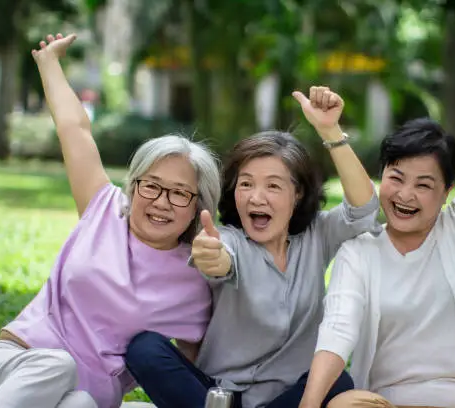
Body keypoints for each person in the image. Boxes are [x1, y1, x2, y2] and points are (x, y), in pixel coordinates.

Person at [297, 2, 455, 408]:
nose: (405, 195)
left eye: (424, 184)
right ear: (382, 178)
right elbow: (337, 332)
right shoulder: (358, 253)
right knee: (345, 405)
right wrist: (309, 406)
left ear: (446, 191)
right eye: (396, 178)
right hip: (389, 401)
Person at [0, 33, 221, 408]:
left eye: (179, 192)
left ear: (199, 206)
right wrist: (49, 63)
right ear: (133, 185)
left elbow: (190, 375)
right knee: (57, 366)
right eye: (151, 186)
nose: (161, 202)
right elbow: (74, 129)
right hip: (7, 369)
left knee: (82, 402)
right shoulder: (103, 210)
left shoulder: (193, 282)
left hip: (80, 402)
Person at [124, 86, 383, 408]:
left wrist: (330, 132)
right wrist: (212, 257)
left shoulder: (318, 235)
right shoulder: (228, 239)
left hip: (287, 399)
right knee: (145, 348)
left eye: (273, 185)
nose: (255, 197)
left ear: (298, 193)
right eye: (246, 184)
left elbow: (365, 209)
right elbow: (220, 260)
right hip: (216, 397)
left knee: (338, 380)